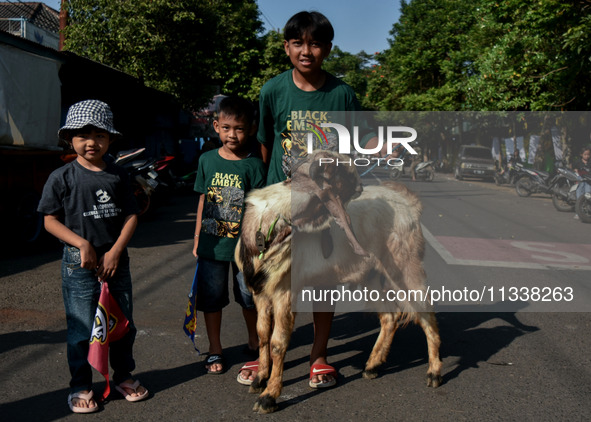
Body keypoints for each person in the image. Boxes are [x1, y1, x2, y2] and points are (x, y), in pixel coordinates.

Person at [237, 10, 377, 389]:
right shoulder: (272, 91)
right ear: (286, 47)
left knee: (320, 282)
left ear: (328, 49)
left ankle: (319, 356)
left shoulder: (342, 94)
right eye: (298, 42)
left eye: (315, 43)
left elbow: (352, 150)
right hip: (279, 208)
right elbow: (265, 145)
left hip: (323, 211)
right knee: (267, 284)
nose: (306, 50)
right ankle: (264, 353)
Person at [37, 100, 148, 413]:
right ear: (69, 139)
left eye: (99, 135)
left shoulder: (118, 175)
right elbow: (49, 220)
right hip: (79, 265)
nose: (92, 142)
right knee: (82, 329)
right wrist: (82, 244)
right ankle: (81, 385)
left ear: (110, 139)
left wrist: (114, 251)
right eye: (83, 135)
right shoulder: (62, 177)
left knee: (122, 325)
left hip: (116, 263)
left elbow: (131, 216)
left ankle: (124, 376)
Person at [192, 96, 266, 374]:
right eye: (226, 127)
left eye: (239, 128)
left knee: (249, 297)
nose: (232, 134)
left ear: (250, 129)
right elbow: (202, 201)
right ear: (216, 126)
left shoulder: (255, 166)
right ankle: (215, 349)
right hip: (211, 247)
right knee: (211, 299)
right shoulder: (206, 160)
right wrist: (197, 237)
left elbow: (260, 209)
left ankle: (254, 340)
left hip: (244, 248)